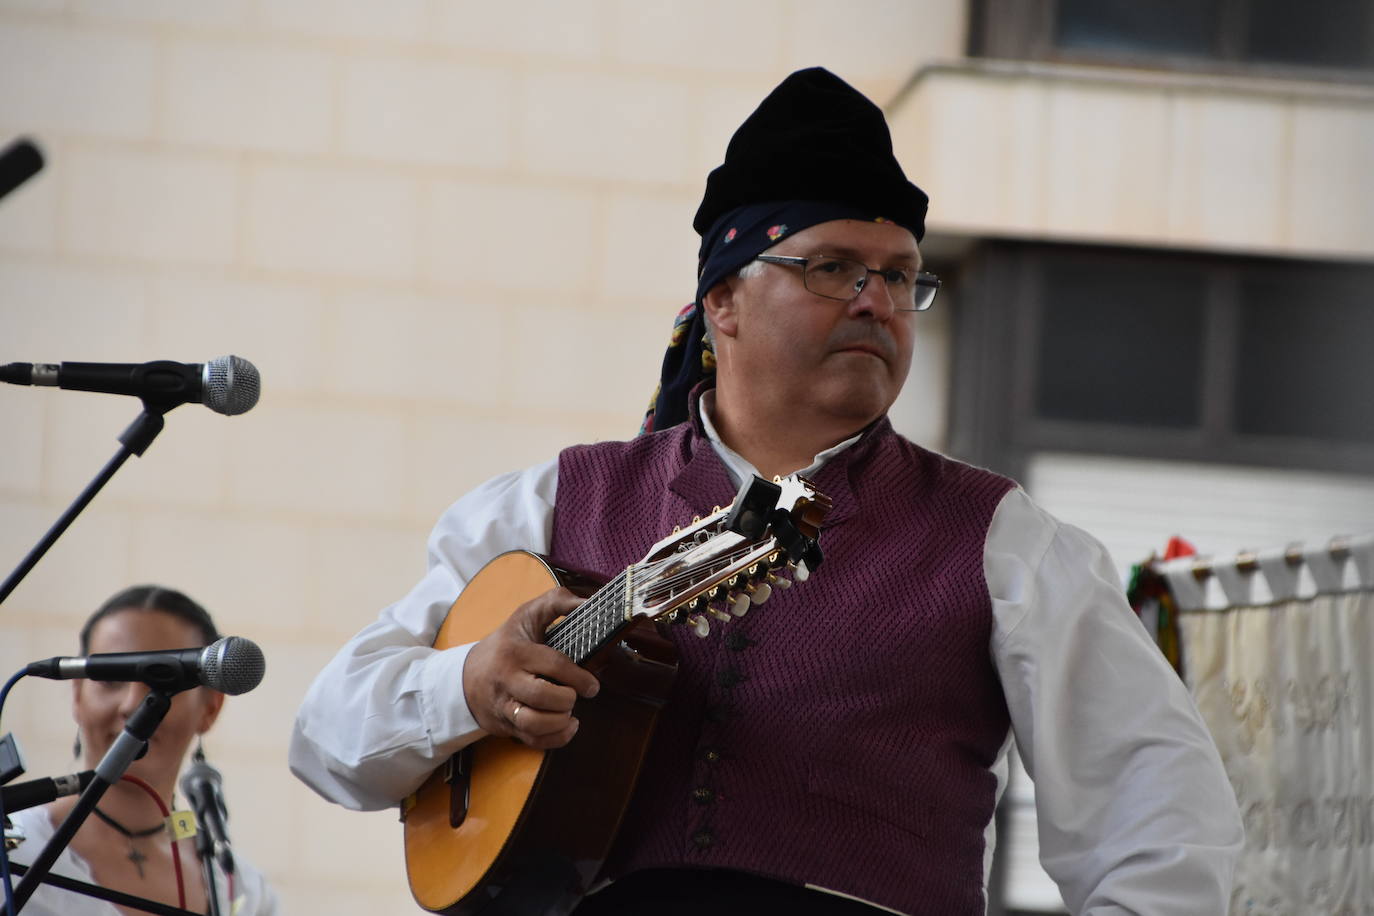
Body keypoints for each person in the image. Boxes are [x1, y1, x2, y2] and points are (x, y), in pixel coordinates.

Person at [290, 67, 1243, 914]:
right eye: (832, 267)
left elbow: (1162, 823)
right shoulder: (543, 504)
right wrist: (470, 685)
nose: (877, 300)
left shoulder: (1003, 542)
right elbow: (328, 738)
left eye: (901, 276)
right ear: (722, 303)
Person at [6, 585, 278, 916]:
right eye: (110, 680)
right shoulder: (12, 854)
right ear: (77, 695)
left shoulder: (242, 890)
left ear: (210, 708)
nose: (133, 704)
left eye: (164, 683)